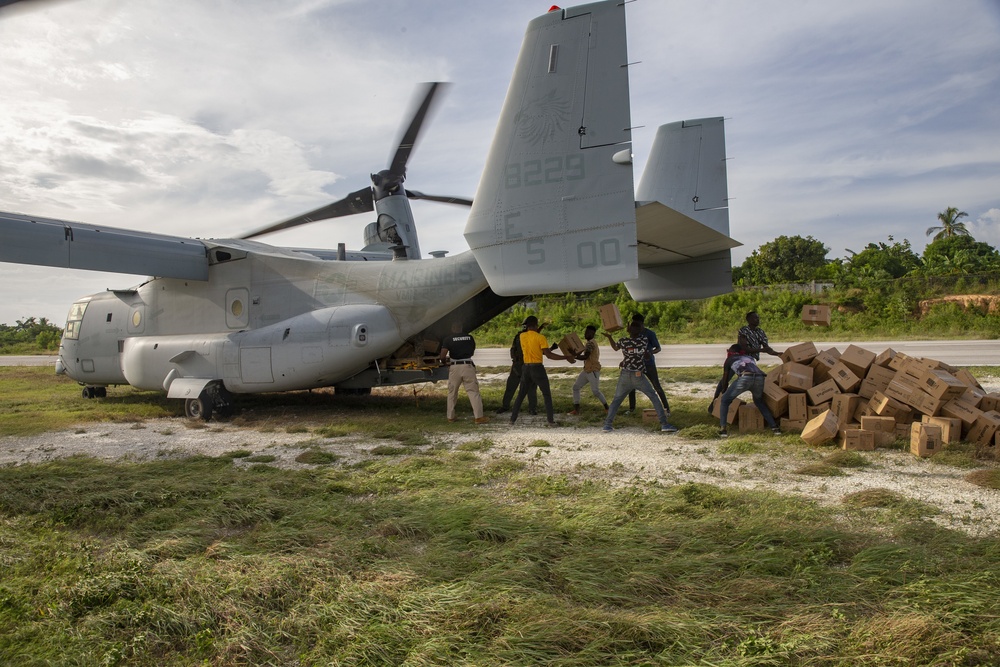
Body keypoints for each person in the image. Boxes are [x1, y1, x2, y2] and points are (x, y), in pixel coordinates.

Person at [602, 320, 678, 433]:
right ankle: (664, 424)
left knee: (616, 400)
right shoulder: (643, 340)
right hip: (638, 375)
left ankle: (607, 425)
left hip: (625, 374)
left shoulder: (624, 341)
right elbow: (646, 355)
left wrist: (609, 337)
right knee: (653, 397)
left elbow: (615, 348)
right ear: (640, 330)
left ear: (629, 331)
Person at [509, 315, 575, 426]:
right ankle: (550, 421)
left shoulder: (522, 336)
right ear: (536, 325)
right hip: (537, 368)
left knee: (521, 395)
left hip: (525, 368)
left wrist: (539, 328)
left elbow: (532, 334)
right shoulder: (541, 338)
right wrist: (566, 357)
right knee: (546, 394)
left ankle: (512, 420)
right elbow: (548, 355)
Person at [718, 350, 780, 437]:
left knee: (725, 400)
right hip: (759, 378)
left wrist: (724, 389)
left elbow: (725, 378)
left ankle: (723, 429)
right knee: (759, 402)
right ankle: (775, 428)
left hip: (745, 378)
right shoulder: (750, 358)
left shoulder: (729, 359)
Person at [439, 321, 488, 424]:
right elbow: (472, 351)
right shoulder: (469, 337)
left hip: (454, 367)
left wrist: (445, 363)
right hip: (467, 366)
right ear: (461, 328)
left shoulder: (448, 339)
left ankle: (450, 417)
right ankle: (478, 417)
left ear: (453, 329)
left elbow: (442, 355)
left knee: (452, 392)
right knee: (473, 392)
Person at [627, 312, 669, 414]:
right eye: (633, 324)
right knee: (631, 387)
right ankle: (632, 409)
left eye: (637, 324)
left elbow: (658, 348)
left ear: (642, 324)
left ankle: (666, 409)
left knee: (656, 386)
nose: (635, 326)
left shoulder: (650, 334)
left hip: (648, 364)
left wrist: (650, 352)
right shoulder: (633, 333)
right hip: (636, 364)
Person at [496, 323, 538, 415]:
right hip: (523, 365)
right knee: (529, 387)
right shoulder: (527, 337)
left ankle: (506, 406)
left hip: (520, 365)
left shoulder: (520, 336)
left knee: (515, 387)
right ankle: (532, 409)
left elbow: (513, 350)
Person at [568, 324, 609, 414]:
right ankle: (577, 410)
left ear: (592, 333)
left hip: (592, 370)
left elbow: (585, 357)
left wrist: (573, 355)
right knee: (576, 387)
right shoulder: (590, 342)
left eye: (587, 332)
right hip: (587, 370)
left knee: (595, 391)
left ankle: (607, 408)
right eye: (585, 332)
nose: (585, 334)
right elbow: (584, 355)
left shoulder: (590, 343)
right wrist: (575, 354)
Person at [708, 343, 745, 414]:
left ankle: (718, 410)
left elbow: (726, 375)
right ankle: (715, 407)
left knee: (725, 388)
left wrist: (724, 387)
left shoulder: (730, 359)